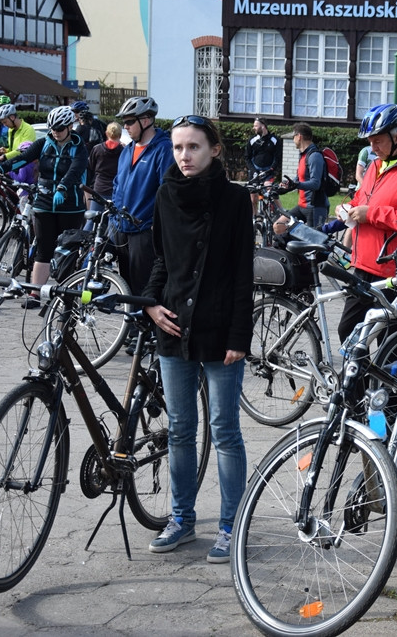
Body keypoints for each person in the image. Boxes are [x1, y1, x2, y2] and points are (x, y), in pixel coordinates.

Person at [142, 115, 252, 563]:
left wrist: (240, 335)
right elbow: (160, 260)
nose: (184, 156)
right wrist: (149, 302)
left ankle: (231, 526)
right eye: (178, 148)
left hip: (220, 329)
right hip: (173, 328)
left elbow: (244, 272)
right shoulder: (166, 194)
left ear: (214, 151)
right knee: (182, 430)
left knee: (225, 431)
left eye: (193, 147)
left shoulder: (234, 199)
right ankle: (181, 520)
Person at [334, 103, 397, 342]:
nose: (372, 147)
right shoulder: (375, 166)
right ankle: (360, 380)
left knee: (388, 343)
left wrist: (371, 214)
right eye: (369, 141)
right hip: (363, 266)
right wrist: (346, 209)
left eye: (377, 141)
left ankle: (380, 380)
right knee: (348, 334)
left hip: (395, 270)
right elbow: (361, 199)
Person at [0, 106, 88, 308]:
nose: (55, 132)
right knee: (44, 247)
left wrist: (63, 187)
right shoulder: (43, 144)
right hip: (44, 203)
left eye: (59, 128)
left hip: (70, 205)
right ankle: (35, 294)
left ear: (70, 126)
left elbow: (76, 170)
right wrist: (0, 167)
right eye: (52, 128)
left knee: (68, 250)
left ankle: (66, 295)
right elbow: (22, 159)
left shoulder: (79, 147)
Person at [112, 96, 174, 300]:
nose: (125, 127)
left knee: (144, 287)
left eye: (129, 121)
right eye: (124, 122)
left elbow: (166, 191)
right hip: (122, 228)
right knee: (127, 286)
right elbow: (118, 184)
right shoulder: (127, 150)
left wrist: (155, 224)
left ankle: (146, 329)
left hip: (144, 230)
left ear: (145, 120)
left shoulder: (163, 149)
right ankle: (132, 327)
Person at [279, 122, 328, 228]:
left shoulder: (314, 156)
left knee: (312, 241)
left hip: (315, 207)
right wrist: (285, 185)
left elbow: (316, 183)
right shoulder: (303, 155)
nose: (293, 140)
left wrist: (296, 184)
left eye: (293, 136)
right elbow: (299, 179)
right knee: (279, 226)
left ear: (299, 136)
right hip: (302, 206)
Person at [85, 121, 123, 229]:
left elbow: (90, 167)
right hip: (114, 190)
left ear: (106, 133)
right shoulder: (123, 151)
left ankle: (83, 244)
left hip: (99, 188)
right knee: (113, 222)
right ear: (119, 135)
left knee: (92, 220)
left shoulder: (97, 149)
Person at [245, 117, 280, 182]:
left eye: (255, 126)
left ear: (263, 126)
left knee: (268, 190)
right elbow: (247, 157)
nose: (253, 128)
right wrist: (254, 171)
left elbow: (277, 157)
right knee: (253, 191)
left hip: (268, 171)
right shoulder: (252, 140)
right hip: (255, 170)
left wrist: (271, 169)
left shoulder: (275, 140)